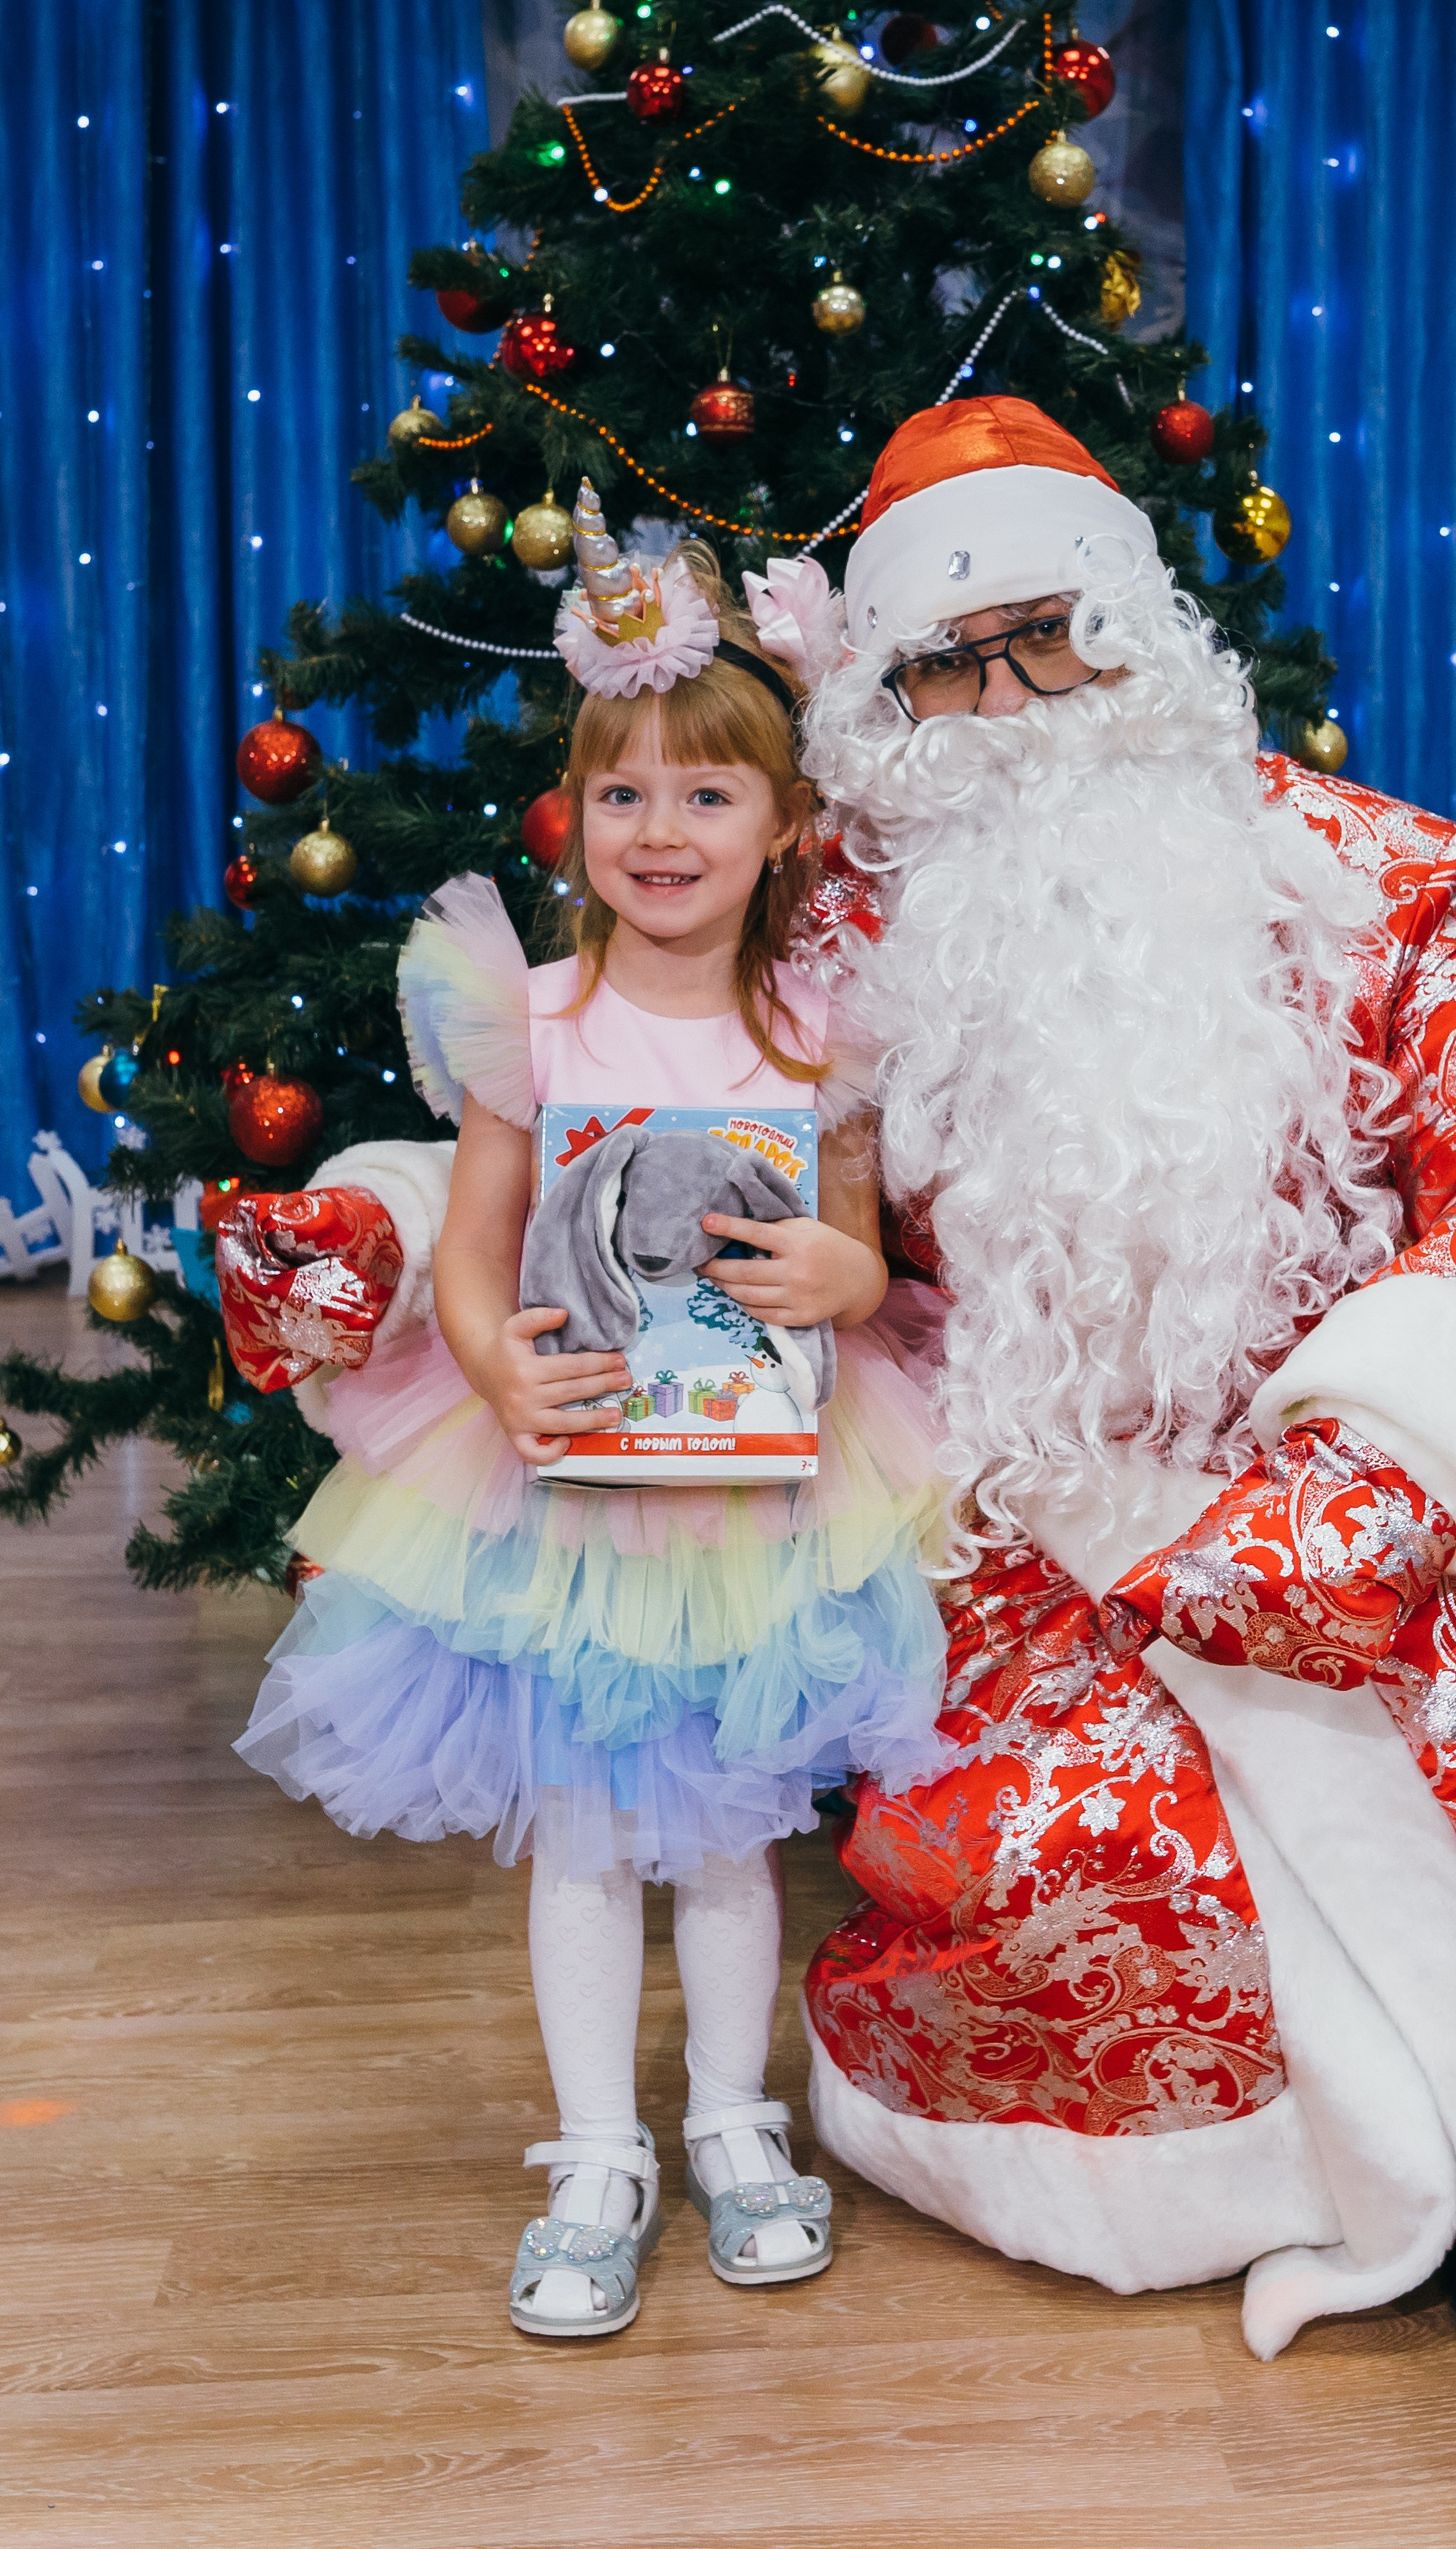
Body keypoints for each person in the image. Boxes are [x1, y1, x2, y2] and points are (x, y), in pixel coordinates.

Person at [791, 394, 1456, 2371]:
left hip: (1348, 1468)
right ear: (889, 697)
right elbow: (625, 1108)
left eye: (1049, 634)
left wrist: (1388, 1462)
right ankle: (1381, 2167)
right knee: (1082, 1854)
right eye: (950, 661)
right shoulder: (845, 935)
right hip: (1037, 1512)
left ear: (1138, 636)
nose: (1012, 694)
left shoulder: (1363, 879)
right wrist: (390, 1229)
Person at [234, 528, 949, 2338]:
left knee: (724, 1836)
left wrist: (828, 1279)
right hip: (564, 1488)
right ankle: (593, 2153)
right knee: (580, 1831)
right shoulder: (530, 1026)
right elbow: (475, 1264)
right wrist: (491, 1371)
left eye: (707, 794)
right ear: (575, 819)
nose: (660, 829)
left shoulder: (812, 1036)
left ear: (780, 828)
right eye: (621, 792)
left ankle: (729, 2123)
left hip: (757, 1495)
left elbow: (864, 1260)